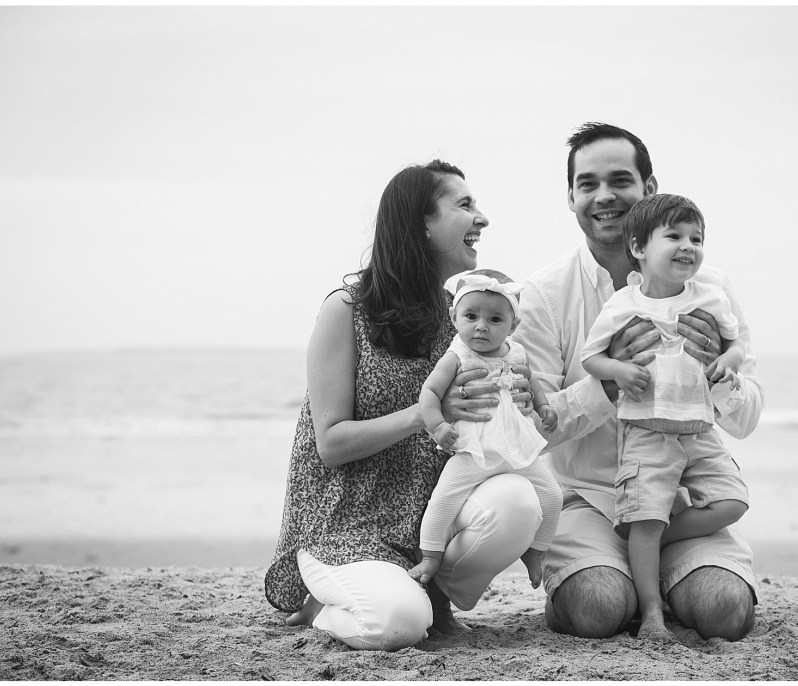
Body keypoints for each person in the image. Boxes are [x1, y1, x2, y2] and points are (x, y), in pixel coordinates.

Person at [264, 160, 544, 652]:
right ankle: (323, 606)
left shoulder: (467, 319)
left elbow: (499, 422)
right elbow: (331, 444)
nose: (481, 218)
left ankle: (435, 594)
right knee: (395, 624)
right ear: (422, 224)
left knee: (519, 501)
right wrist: (426, 413)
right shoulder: (347, 309)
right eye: (464, 205)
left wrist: (523, 403)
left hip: (429, 521)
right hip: (346, 526)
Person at [512, 122, 764, 642]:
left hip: (683, 503)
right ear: (571, 198)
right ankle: (620, 578)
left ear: (649, 188)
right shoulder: (543, 295)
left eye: (620, 180)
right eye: (588, 184)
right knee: (597, 608)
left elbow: (748, 418)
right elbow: (528, 434)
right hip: (590, 500)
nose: (604, 196)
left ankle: (658, 566)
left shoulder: (709, 288)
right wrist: (608, 385)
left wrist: (717, 369)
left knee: (725, 611)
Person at [580, 193, 750, 643]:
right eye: (674, 236)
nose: (688, 246)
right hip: (646, 430)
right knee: (647, 518)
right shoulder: (623, 304)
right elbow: (591, 358)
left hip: (699, 429)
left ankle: (651, 541)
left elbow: (737, 344)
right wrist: (619, 371)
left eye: (697, 238)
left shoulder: (710, 296)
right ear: (638, 247)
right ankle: (652, 611)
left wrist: (727, 361)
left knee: (732, 501)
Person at [410, 269, 563, 590]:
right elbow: (430, 392)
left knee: (552, 495)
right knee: (443, 499)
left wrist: (544, 407)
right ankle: (431, 557)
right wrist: (438, 425)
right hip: (473, 451)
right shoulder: (457, 356)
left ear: (513, 326)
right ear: (453, 317)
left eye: (495, 319)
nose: (481, 326)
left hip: (516, 450)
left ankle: (535, 552)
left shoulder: (516, 351)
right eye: (471, 316)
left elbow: (531, 381)